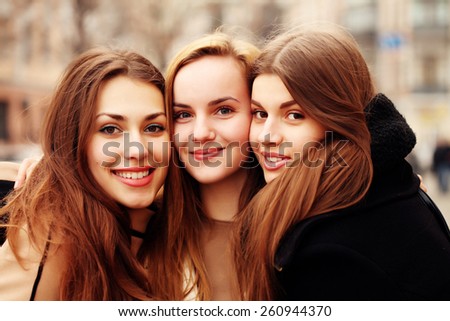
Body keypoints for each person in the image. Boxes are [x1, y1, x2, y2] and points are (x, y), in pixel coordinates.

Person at [234, 24, 450, 300]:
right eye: (260, 113)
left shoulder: (331, 251)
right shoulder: (381, 184)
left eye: (295, 115)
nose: (266, 137)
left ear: (337, 119)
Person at [0, 47, 171, 300]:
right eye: (110, 129)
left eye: (154, 127)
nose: (137, 149)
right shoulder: (11, 204)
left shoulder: (177, 226)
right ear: (73, 138)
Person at [161, 31, 265, 300]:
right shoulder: (144, 231)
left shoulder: (305, 230)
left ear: (259, 114)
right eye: (183, 114)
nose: (200, 132)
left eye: (223, 110)